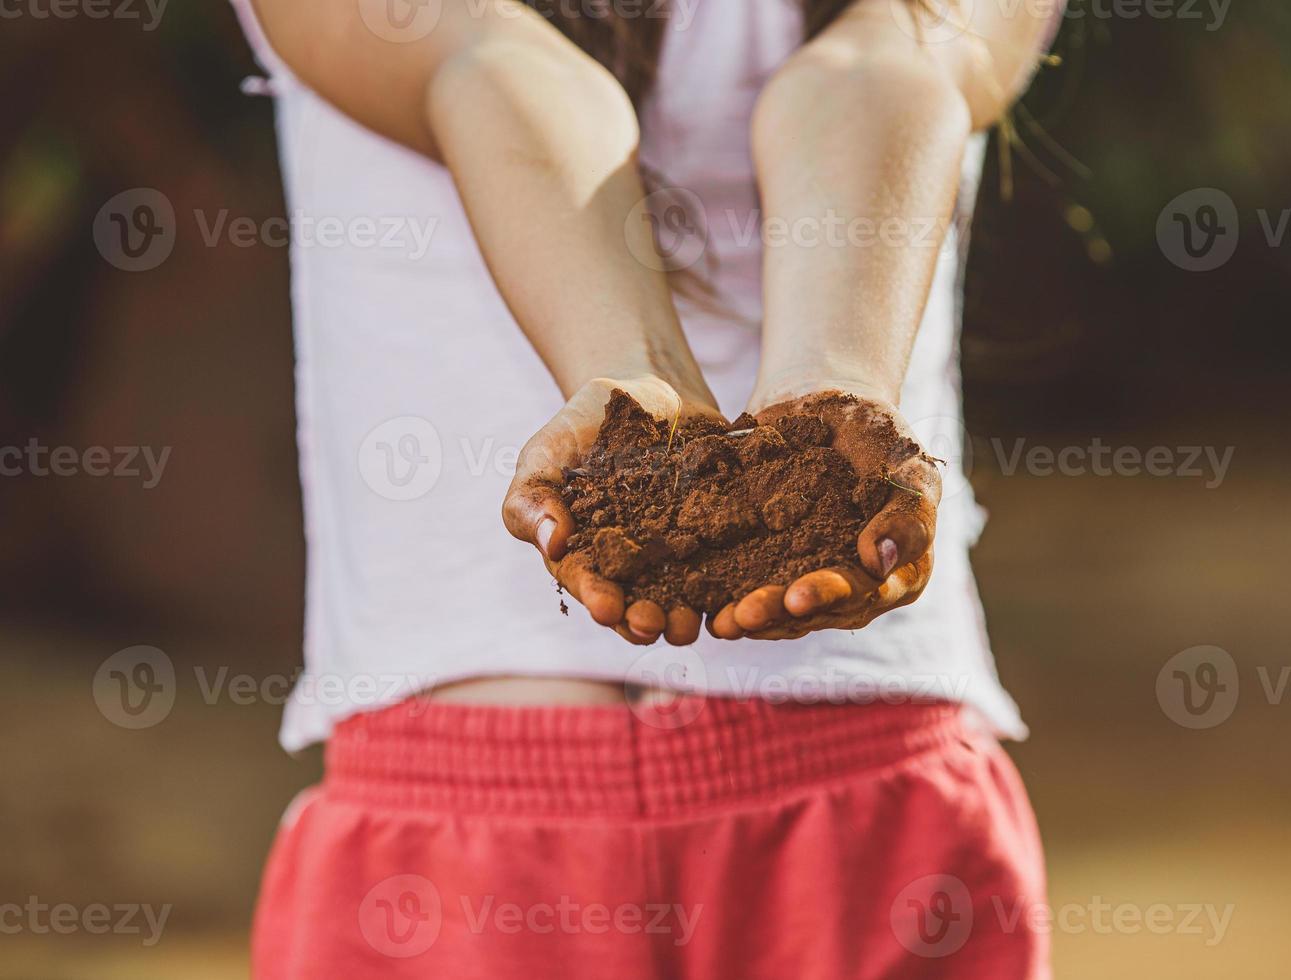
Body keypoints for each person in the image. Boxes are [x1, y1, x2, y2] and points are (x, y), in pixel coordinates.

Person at [231, 0, 1061, 975]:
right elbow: (490, 62)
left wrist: (833, 398)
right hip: (506, 847)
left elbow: (880, 73)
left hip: (843, 797)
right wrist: (638, 382)